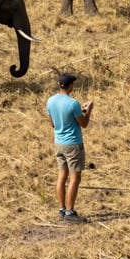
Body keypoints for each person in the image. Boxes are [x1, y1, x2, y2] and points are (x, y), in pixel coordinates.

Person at [46, 73, 93, 224]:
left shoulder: (50, 101)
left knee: (61, 177)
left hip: (58, 143)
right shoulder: (73, 103)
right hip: (73, 144)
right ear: (70, 86)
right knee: (75, 178)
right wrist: (88, 110)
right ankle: (70, 212)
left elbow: (53, 124)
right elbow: (84, 124)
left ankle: (62, 209)